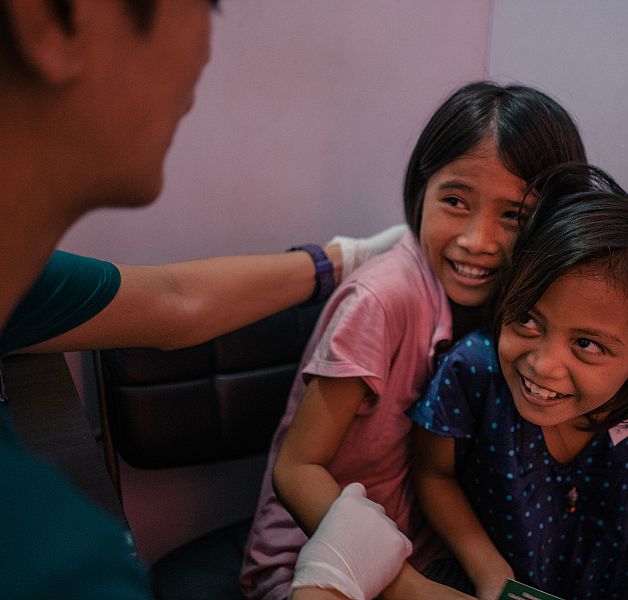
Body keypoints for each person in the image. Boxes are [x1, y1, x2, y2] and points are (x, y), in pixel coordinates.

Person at [0, 1, 411, 598]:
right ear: (55, 18)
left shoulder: (21, 282)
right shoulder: (56, 566)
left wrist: (340, 259)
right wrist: (325, 586)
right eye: (207, 5)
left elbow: (175, 300)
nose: (207, 51)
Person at [240, 80, 590, 600]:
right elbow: (297, 469)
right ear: (421, 190)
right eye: (455, 200)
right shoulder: (380, 303)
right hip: (317, 565)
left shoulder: (515, 296)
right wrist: (407, 586)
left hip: (423, 550)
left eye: (513, 216)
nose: (478, 241)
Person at [409, 164, 628, 600]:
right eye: (528, 318)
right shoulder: (473, 370)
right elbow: (433, 474)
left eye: (587, 345)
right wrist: (489, 572)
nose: (544, 365)